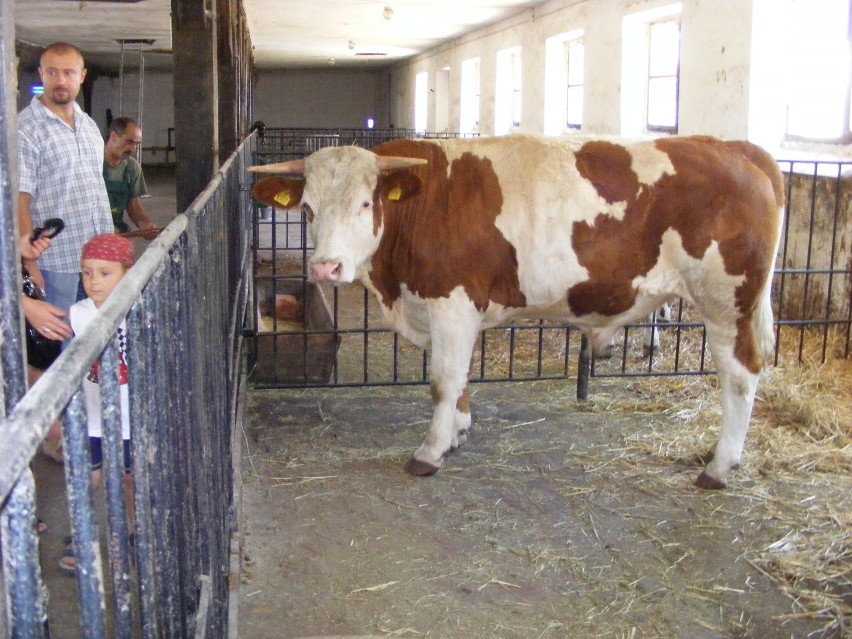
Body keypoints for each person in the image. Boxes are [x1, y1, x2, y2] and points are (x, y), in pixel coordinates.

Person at [18, 42, 114, 315]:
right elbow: (19, 200)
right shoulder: (26, 129)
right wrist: (31, 264)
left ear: (82, 76)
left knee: (97, 334)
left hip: (97, 258)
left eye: (69, 73)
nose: (60, 81)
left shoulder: (89, 125)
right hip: (56, 263)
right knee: (65, 343)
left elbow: (95, 189)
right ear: (41, 74)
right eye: (52, 73)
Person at [60, 233, 136, 574]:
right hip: (91, 418)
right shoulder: (77, 314)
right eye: (87, 272)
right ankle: (83, 535)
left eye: (105, 273)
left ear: (126, 273)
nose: (94, 281)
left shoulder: (138, 308)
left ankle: (133, 532)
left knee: (129, 479)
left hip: (129, 420)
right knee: (87, 478)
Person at [103, 117, 158, 234]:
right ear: (113, 137)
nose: (133, 149)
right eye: (129, 142)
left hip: (118, 235)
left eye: (137, 144)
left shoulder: (132, 168)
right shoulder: (92, 164)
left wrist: (145, 224)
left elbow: (133, 204)